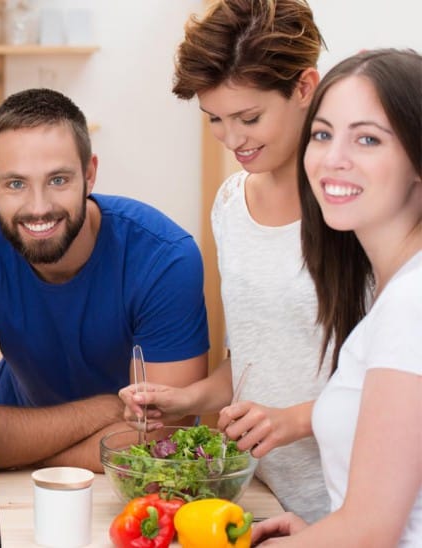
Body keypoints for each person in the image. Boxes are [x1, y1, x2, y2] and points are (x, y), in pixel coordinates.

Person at [117, 0, 330, 521]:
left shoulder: (353, 206)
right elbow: (255, 361)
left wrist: (297, 420)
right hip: (265, 499)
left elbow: (399, 382)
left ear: (305, 87)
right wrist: (186, 397)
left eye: (249, 117)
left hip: (354, 501)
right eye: (214, 118)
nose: (233, 139)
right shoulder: (232, 205)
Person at [0, 88, 209, 471]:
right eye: (15, 184)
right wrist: (102, 411)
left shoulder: (164, 258)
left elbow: (161, 438)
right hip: (31, 473)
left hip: (117, 479)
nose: (39, 207)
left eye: (58, 180)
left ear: (89, 174)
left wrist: (23, 457)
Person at [252, 48, 422, 547]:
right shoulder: (395, 293)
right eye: (322, 134)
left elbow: (371, 532)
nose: (333, 159)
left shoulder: (412, 302)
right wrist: (323, 534)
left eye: (368, 139)